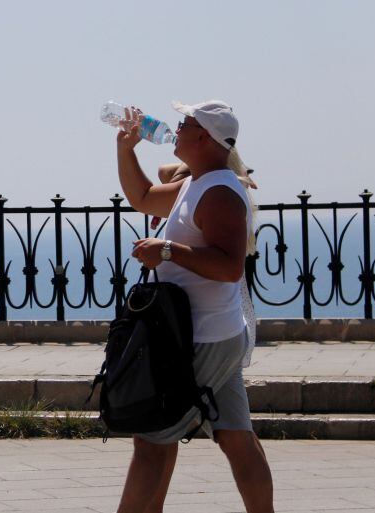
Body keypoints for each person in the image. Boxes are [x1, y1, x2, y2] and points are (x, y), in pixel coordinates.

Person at [114, 100, 274, 513]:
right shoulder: (197, 183)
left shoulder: (220, 193)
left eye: (184, 123)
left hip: (200, 337)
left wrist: (168, 251)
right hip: (210, 332)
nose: (176, 127)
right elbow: (144, 197)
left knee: (151, 439)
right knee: (237, 437)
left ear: (204, 136)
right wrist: (125, 149)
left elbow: (228, 265)